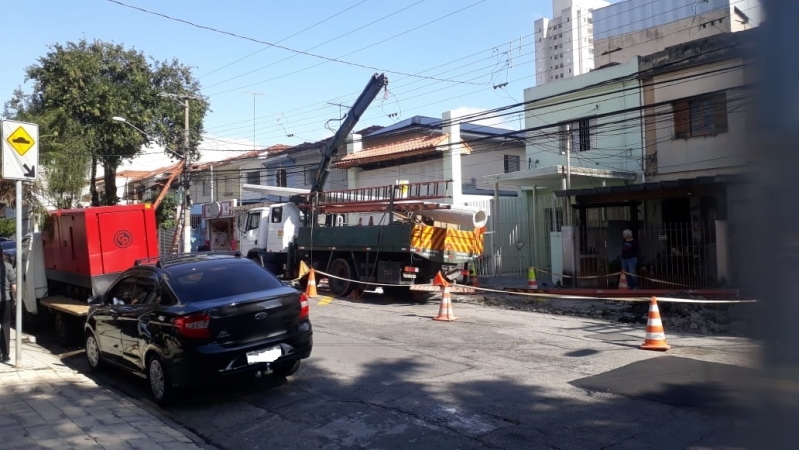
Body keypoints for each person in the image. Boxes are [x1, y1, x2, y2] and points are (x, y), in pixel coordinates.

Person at [0, 254, 17, 362]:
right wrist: (16, 299)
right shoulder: (7, 266)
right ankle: (5, 354)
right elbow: (14, 284)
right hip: (5, 300)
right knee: (5, 325)